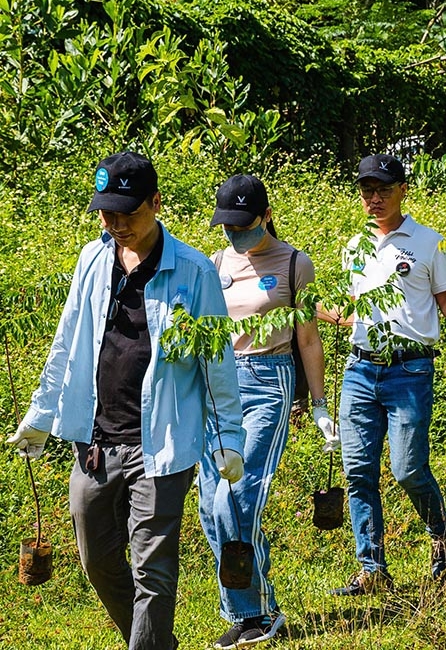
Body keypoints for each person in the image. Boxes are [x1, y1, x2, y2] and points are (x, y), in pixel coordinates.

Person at [7, 152, 245, 650]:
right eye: (106, 213)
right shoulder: (93, 260)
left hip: (162, 443)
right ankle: (156, 641)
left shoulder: (194, 272)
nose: (116, 224)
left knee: (153, 570)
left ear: (156, 203)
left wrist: (229, 438)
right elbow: (68, 342)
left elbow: (216, 361)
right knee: (95, 558)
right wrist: (40, 416)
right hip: (96, 440)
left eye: (127, 213)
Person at [330, 154, 446, 595]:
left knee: (406, 468)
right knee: (358, 471)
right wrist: (300, 306)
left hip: (410, 369)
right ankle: (371, 568)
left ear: (403, 190)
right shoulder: (354, 246)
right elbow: (347, 310)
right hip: (360, 369)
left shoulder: (428, 243)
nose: (374, 199)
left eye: (382, 190)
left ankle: (442, 532)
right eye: (367, 191)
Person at [201, 175, 332, 649]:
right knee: (210, 508)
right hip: (216, 386)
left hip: (267, 381)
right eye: (228, 226)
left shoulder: (296, 264)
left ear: (266, 216)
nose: (235, 234)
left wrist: (317, 405)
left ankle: (254, 613)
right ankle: (251, 609)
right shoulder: (214, 263)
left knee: (235, 500)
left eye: (244, 225)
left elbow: (309, 338)